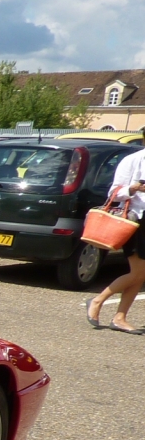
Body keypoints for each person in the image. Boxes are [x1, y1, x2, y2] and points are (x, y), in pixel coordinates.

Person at [87, 134, 145, 333]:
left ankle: (120, 317)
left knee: (140, 274)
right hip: (135, 220)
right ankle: (97, 300)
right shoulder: (132, 161)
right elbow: (114, 193)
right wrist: (134, 188)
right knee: (137, 272)